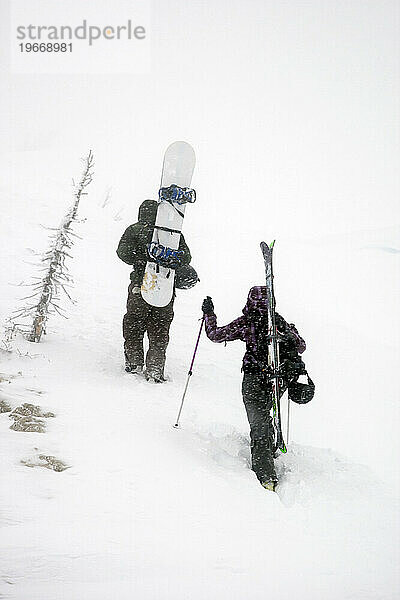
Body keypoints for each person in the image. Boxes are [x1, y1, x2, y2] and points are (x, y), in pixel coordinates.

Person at [201, 287, 307, 491]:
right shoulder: (279, 322)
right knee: (264, 416)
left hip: (255, 380)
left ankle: (266, 476)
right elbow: (301, 346)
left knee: (258, 424)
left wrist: (209, 315)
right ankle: (269, 446)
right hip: (278, 379)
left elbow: (215, 335)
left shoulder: (247, 321)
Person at [117, 199, 194, 382]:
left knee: (134, 323)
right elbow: (186, 258)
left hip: (140, 285)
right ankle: (155, 369)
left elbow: (123, 253)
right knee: (160, 329)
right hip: (165, 289)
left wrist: (141, 256)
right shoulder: (172, 234)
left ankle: (134, 362)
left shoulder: (135, 229)